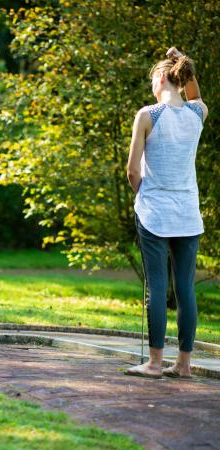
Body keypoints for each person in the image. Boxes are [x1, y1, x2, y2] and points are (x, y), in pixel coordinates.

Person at [125, 48, 208, 378]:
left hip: (155, 214)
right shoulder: (197, 113)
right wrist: (185, 59)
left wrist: (144, 197)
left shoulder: (148, 114)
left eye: (152, 80)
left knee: (157, 287)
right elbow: (196, 94)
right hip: (188, 213)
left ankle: (156, 363)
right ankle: (184, 365)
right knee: (185, 288)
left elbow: (132, 171)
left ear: (160, 78)